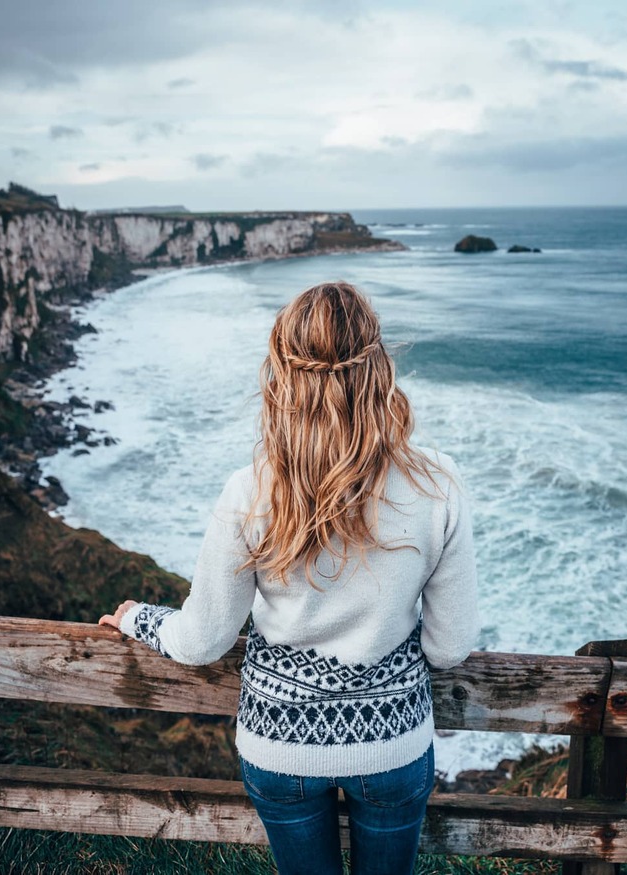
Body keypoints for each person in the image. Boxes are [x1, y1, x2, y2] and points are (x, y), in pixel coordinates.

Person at [100, 281, 480, 875]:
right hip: (394, 749)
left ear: (281, 374)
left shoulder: (250, 490)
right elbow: (451, 647)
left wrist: (139, 620)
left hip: (281, 747)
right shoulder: (439, 482)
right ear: (379, 367)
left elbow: (203, 642)